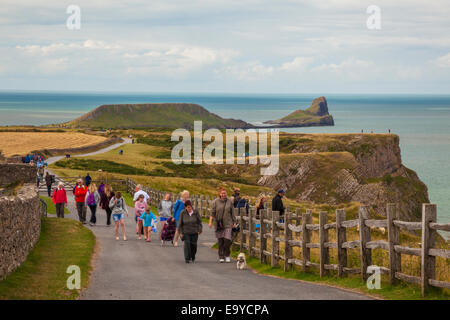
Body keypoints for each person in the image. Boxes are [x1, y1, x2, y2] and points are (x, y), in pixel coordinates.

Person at [209, 187, 236, 263]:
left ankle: (227, 255)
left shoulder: (230, 202)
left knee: (227, 240)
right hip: (219, 224)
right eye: (222, 193)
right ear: (219, 194)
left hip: (228, 224)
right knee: (220, 241)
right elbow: (212, 213)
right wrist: (210, 222)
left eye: (225, 193)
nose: (224, 194)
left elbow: (233, 212)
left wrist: (234, 222)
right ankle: (221, 256)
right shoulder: (215, 202)